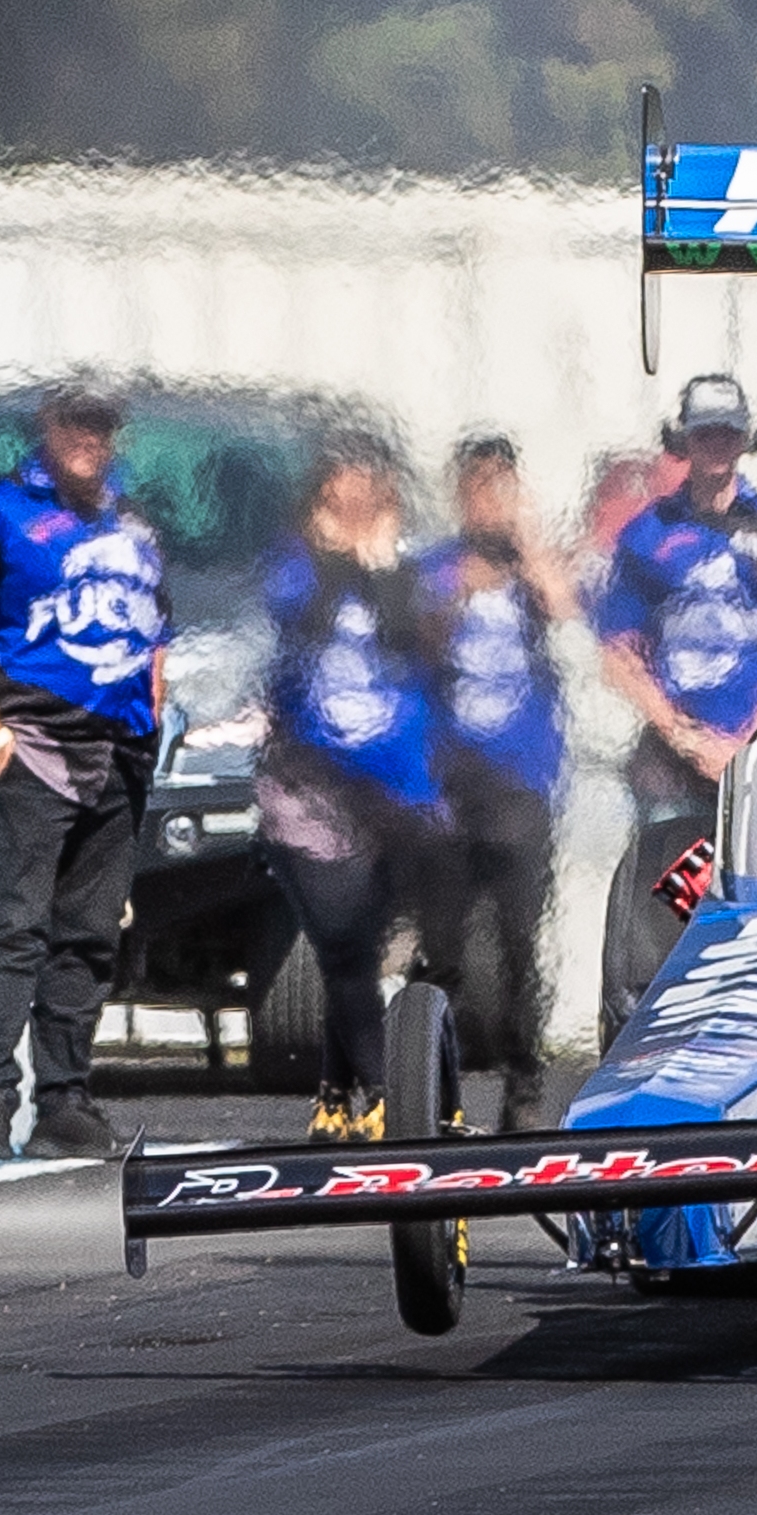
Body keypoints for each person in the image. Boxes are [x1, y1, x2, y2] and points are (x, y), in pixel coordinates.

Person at [0, 387, 168, 1162]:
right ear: (48, 426)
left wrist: (152, 721)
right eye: (76, 421)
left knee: (90, 935)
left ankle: (66, 1101)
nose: (90, 437)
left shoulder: (135, 521)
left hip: (121, 749)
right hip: (30, 741)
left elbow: (159, 629)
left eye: (102, 423)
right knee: (15, 927)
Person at [255, 433, 453, 1145]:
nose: (361, 491)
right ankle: (379, 1091)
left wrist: (385, 567)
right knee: (343, 946)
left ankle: (335, 1092)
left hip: (396, 793)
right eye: (347, 478)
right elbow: (300, 627)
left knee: (367, 949)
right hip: (313, 792)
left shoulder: (405, 568)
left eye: (373, 478)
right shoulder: (294, 566)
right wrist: (346, 562)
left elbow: (420, 643)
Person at [416, 435, 575, 1132]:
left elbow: (563, 607)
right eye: (478, 487)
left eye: (500, 487)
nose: (489, 502)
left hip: (521, 779)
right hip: (449, 781)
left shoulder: (529, 567)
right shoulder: (436, 567)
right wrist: (456, 596)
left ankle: (524, 1083)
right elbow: (416, 645)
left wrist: (524, 543)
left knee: (519, 941)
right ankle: (434, 1087)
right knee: (443, 945)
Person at [597, 374, 757, 824]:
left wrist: (748, 744)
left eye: (728, 432)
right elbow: (618, 653)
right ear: (683, 438)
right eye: (704, 433)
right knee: (672, 869)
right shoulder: (648, 534)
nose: (717, 444)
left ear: (746, 439)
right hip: (670, 768)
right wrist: (685, 738)